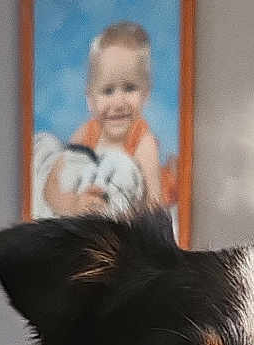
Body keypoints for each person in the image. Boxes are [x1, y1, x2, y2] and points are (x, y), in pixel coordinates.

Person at [39, 21, 164, 217]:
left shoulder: (143, 142)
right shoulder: (87, 133)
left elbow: (155, 208)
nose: (119, 102)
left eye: (130, 88)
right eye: (108, 91)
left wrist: (123, 218)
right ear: (90, 100)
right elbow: (53, 186)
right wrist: (73, 206)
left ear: (145, 94)